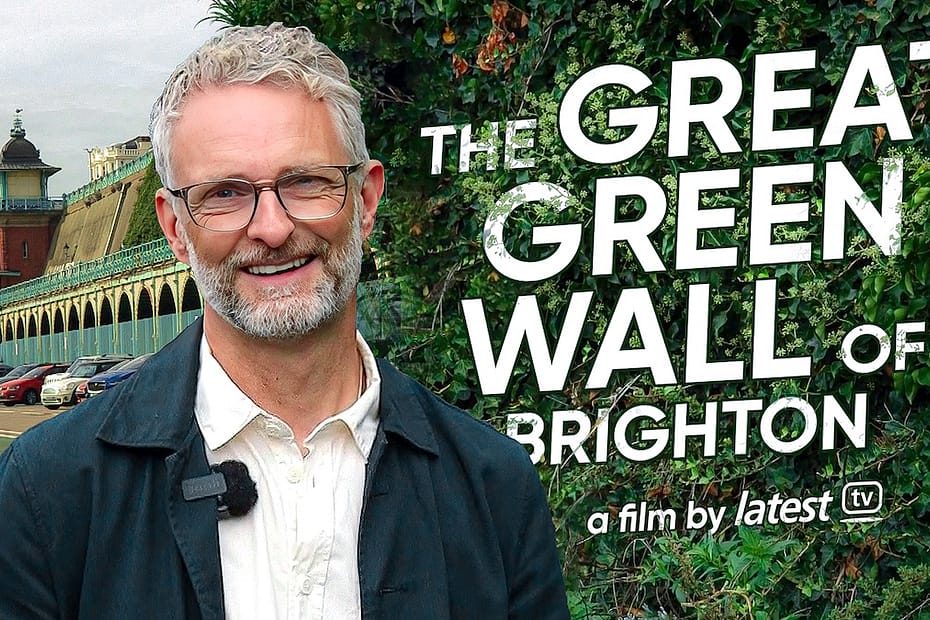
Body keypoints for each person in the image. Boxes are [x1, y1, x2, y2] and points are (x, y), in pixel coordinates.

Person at [0, 23, 569, 620]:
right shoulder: (48, 491)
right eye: (224, 193)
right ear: (174, 227)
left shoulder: (494, 487)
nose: (271, 228)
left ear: (367, 200)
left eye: (306, 182)